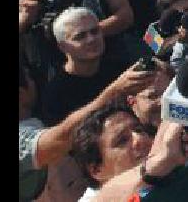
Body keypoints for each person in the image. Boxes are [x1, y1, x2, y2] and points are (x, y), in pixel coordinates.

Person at [19, 55, 158, 201]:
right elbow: (56, 141)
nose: (139, 139)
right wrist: (114, 91)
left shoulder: (173, 166)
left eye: (139, 129)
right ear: (96, 170)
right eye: (122, 140)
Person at [39, 8, 153, 125]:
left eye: (95, 31)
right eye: (80, 36)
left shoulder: (121, 69)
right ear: (63, 47)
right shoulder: (55, 94)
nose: (91, 39)